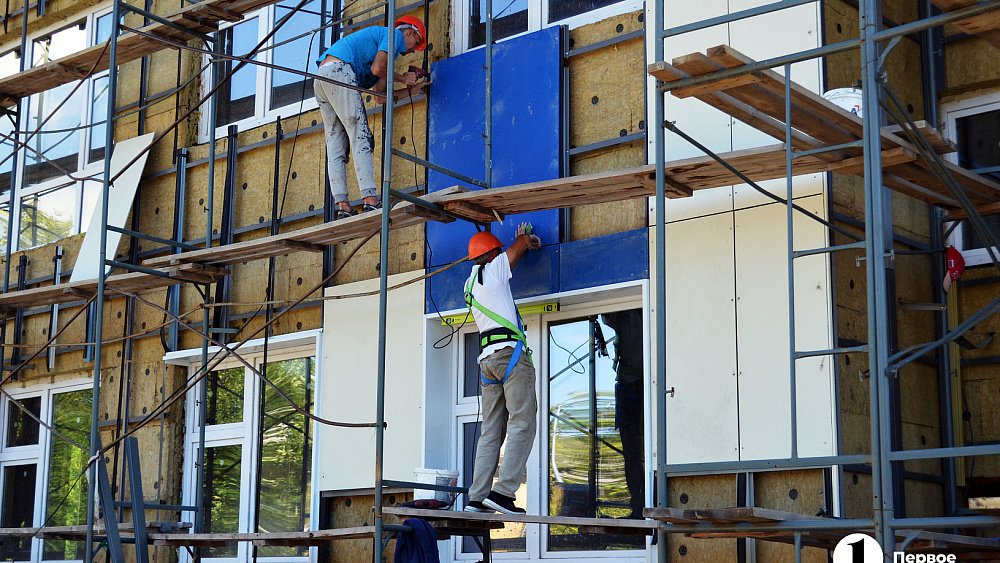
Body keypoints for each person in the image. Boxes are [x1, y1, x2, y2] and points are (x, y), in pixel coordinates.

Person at [314, 16, 430, 220]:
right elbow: (377, 69)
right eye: (416, 44)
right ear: (409, 32)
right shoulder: (392, 35)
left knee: (335, 142)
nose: (413, 50)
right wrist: (403, 77)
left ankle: (342, 205)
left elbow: (379, 97)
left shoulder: (383, 54)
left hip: (323, 76)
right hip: (340, 70)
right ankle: (370, 199)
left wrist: (412, 91)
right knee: (361, 135)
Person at [463, 224, 541, 514]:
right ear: (493, 253)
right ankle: (503, 493)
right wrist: (526, 236)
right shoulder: (494, 269)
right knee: (523, 421)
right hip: (509, 354)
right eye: (497, 252)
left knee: (491, 430)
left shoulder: (469, 284)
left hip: (487, 361)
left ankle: (476, 498)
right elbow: (520, 246)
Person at [600, 309, 645, 519]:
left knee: (638, 452)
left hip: (638, 384)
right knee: (633, 453)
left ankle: (641, 506)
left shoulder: (632, 312)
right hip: (630, 384)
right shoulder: (625, 313)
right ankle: (638, 506)